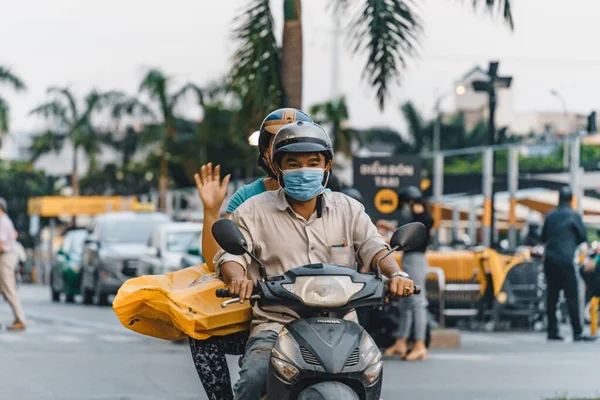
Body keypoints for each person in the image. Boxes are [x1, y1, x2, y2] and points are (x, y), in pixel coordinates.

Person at [214, 121, 416, 400]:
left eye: (313, 162)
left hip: (343, 325)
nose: (304, 170)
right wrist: (238, 279)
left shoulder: (349, 209)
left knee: (369, 376)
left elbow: (375, 246)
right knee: (254, 379)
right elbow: (232, 253)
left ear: (327, 165)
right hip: (277, 324)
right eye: (293, 163)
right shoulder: (252, 212)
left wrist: (396, 275)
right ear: (278, 168)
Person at [189, 108, 313, 400]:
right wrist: (211, 212)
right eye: (279, 143)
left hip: (321, 309)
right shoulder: (248, 200)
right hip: (262, 309)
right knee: (202, 336)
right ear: (268, 154)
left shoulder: (331, 200)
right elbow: (220, 257)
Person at [379, 186, 433, 361]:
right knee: (406, 303)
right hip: (410, 259)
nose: (403, 209)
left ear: (410, 202)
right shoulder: (419, 218)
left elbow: (415, 229)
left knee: (417, 302)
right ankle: (401, 342)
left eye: (404, 204)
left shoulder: (422, 219)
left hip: (416, 260)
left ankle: (419, 344)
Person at [541, 187, 594, 342]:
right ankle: (577, 332)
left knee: (552, 296)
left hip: (550, 260)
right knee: (571, 296)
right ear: (571, 199)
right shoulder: (574, 215)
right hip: (566, 260)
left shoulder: (550, 216)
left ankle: (552, 331)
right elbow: (582, 237)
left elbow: (543, 237)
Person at [0, 198, 26, 331]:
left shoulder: (3, 222)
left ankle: (20, 319)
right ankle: (18, 318)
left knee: (9, 289)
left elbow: (1, 244)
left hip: (5, 258)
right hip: (5, 257)